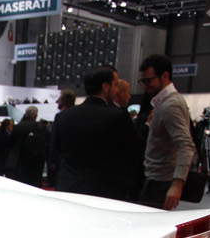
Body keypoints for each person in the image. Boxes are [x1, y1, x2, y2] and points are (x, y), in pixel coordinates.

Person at [48, 65, 139, 200]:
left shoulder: (63, 116)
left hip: (68, 187)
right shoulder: (118, 116)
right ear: (106, 87)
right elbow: (132, 154)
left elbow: (55, 152)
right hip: (104, 192)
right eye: (115, 85)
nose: (117, 89)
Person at [136, 53, 196, 210]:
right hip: (157, 180)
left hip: (160, 182)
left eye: (148, 80)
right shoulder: (165, 102)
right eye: (142, 81)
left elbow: (186, 145)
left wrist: (177, 184)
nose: (144, 86)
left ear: (165, 76)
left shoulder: (170, 105)